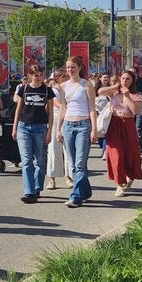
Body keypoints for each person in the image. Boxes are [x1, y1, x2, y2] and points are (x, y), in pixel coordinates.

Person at [57, 56, 97, 208]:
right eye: (68, 67)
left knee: (80, 163)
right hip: (68, 125)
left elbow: (92, 108)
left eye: (73, 67)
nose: (70, 70)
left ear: (80, 68)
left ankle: (76, 197)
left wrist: (93, 129)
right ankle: (85, 191)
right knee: (74, 164)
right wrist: (58, 129)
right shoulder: (63, 86)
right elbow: (62, 107)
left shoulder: (87, 85)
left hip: (83, 124)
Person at [11, 65, 54, 203]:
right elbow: (18, 108)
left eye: (40, 74)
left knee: (39, 161)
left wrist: (49, 131)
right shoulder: (23, 89)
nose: (38, 77)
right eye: (35, 75)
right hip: (24, 126)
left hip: (40, 127)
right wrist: (15, 127)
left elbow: (51, 112)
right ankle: (29, 191)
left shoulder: (47, 90)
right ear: (30, 76)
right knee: (26, 160)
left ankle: (37, 187)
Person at [97, 70, 142, 196]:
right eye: (123, 78)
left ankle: (130, 176)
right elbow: (100, 92)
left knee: (130, 153)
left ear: (133, 81)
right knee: (115, 154)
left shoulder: (136, 95)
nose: (125, 81)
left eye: (128, 79)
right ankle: (119, 184)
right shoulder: (114, 92)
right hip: (114, 123)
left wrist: (128, 96)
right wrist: (114, 86)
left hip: (128, 124)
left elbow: (136, 111)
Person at [44, 69, 68, 189]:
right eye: (63, 76)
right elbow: (58, 104)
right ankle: (51, 179)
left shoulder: (68, 89)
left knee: (68, 150)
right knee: (53, 148)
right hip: (55, 119)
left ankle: (69, 176)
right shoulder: (53, 91)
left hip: (68, 119)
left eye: (66, 76)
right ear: (57, 78)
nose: (65, 78)